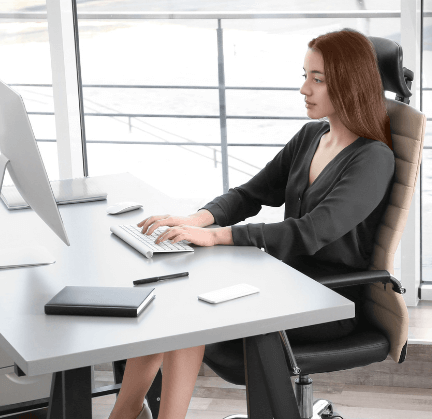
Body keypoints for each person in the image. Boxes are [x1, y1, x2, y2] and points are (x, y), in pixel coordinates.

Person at [107, 28, 395, 419]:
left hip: (327, 302)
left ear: (348, 84)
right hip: (283, 280)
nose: (303, 89)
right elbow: (250, 194)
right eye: (304, 75)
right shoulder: (311, 136)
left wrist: (216, 238)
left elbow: (310, 232)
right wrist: (196, 220)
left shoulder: (373, 159)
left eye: (317, 79)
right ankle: (125, 414)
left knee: (187, 314)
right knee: (169, 299)